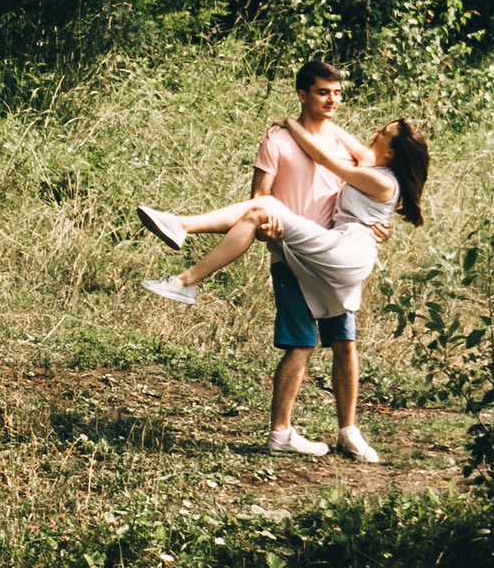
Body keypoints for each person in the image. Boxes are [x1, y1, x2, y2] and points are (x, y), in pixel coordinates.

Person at [139, 106, 430, 467]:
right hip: (340, 248)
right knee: (264, 213)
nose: (374, 132)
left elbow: (326, 159)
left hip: (346, 252)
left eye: (382, 133)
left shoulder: (383, 181)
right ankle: (182, 252)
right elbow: (339, 137)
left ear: (391, 152)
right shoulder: (372, 161)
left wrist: (289, 122)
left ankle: (183, 258)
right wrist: (310, 120)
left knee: (264, 208)